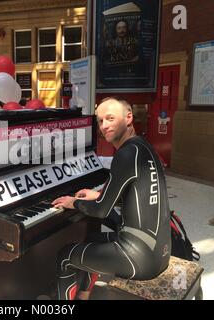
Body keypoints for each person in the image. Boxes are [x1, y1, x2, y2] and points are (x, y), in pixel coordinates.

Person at [52, 97, 171, 300]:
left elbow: (100, 210)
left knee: (65, 256)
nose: (104, 126)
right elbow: (132, 193)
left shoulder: (125, 154)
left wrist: (73, 202)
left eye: (110, 118)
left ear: (128, 118)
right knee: (90, 239)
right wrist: (98, 194)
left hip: (138, 258)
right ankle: (84, 295)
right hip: (159, 252)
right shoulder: (142, 147)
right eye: (100, 121)